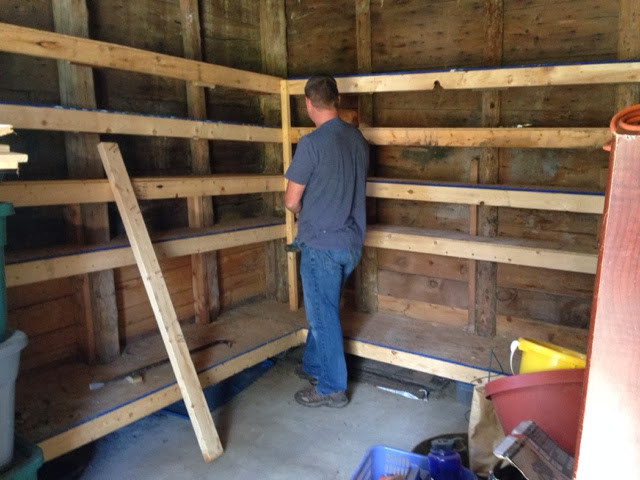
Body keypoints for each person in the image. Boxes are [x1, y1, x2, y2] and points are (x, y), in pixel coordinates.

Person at [284, 74, 369, 408]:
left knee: (322, 316)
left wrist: (303, 210)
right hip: (351, 243)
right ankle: (314, 366)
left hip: (321, 245)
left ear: (308, 103)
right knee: (325, 308)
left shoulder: (312, 144)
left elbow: (291, 200)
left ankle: (332, 387)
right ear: (338, 100)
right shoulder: (357, 139)